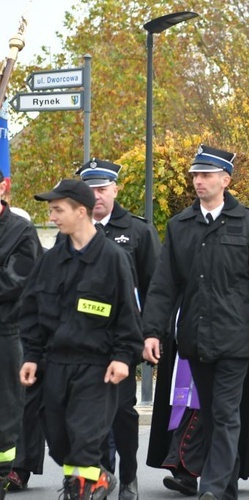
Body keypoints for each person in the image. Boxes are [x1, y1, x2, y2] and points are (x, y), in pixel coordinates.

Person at [141, 145, 249, 500]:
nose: (198, 181)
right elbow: (164, 285)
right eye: (195, 175)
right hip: (196, 339)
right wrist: (153, 331)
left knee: (226, 410)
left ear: (225, 180)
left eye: (205, 175)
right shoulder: (180, 225)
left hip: (237, 337)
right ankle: (226, 485)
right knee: (214, 412)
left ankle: (214, 488)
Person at [19, 179, 143, 499]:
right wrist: (31, 356)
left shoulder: (114, 259)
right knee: (61, 444)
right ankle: (96, 479)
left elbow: (128, 315)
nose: (53, 216)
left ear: (81, 211)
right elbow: (30, 311)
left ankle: (84, 488)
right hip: (55, 365)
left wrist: (123, 357)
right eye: (51, 210)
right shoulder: (50, 261)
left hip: (96, 367)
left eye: (58, 210)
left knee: (85, 442)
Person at [74, 158, 161, 500]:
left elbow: (156, 288)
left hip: (122, 340)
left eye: (101, 188)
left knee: (122, 414)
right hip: (82, 340)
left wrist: (150, 334)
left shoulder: (138, 231)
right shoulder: (74, 231)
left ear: (115, 189)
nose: (95, 196)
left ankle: (128, 476)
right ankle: (99, 476)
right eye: (89, 189)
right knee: (88, 413)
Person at [0, 172, 43, 499]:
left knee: (8, 407)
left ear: (4, 187)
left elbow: (15, 281)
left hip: (8, 331)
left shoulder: (21, 231)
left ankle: (6, 470)